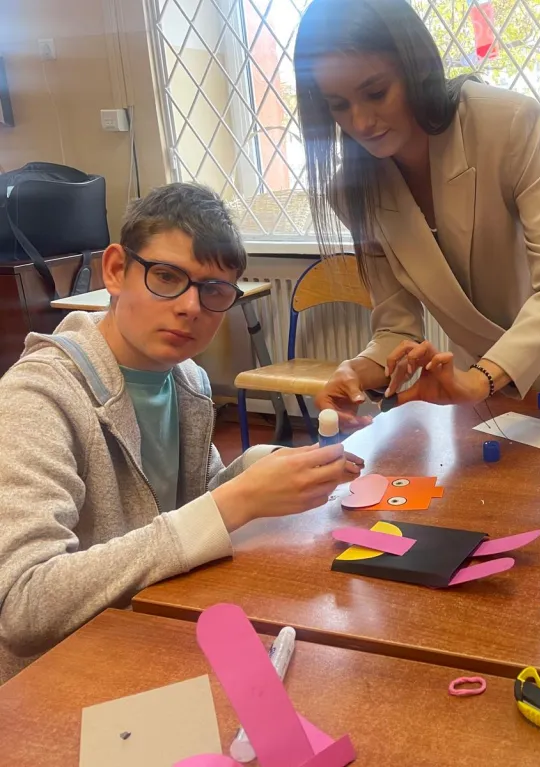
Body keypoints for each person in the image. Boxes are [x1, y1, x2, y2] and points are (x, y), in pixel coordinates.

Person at [0, 184, 361, 682]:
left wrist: (269, 466)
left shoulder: (186, 378)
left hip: (154, 637)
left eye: (214, 291)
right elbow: (22, 606)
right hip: (63, 680)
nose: (191, 306)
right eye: (167, 277)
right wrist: (235, 502)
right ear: (115, 270)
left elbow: (192, 499)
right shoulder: (36, 397)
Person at [293, 0, 540, 428]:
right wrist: (355, 370)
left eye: (376, 93)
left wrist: (481, 379)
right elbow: (397, 330)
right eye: (338, 104)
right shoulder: (354, 192)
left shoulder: (505, 122)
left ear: (414, 68)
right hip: (490, 377)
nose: (361, 122)